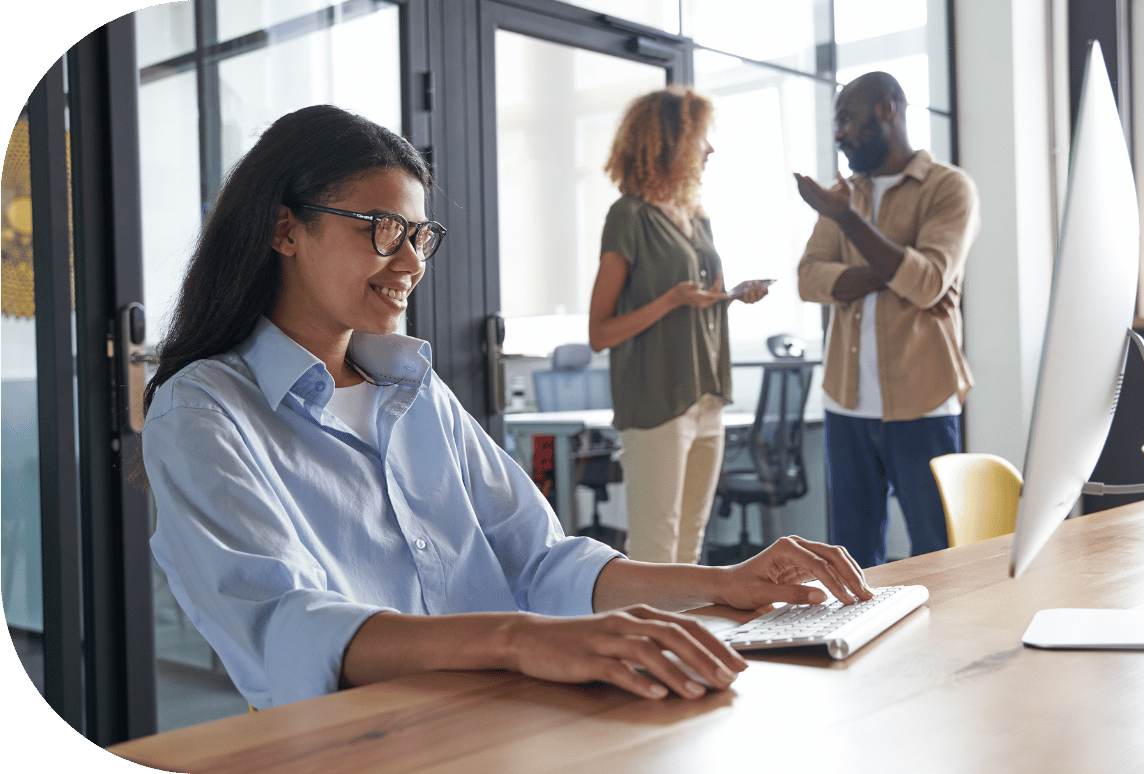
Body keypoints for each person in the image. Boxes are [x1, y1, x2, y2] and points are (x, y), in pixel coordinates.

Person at [141, 104, 869, 712]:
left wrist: (723, 582)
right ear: (284, 229)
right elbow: (285, 627)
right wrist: (522, 639)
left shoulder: (415, 390)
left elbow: (542, 560)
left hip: (510, 713)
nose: (412, 263)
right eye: (382, 229)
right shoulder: (203, 415)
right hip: (370, 742)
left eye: (419, 235)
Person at [794, 72, 980, 567]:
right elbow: (809, 279)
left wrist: (850, 223)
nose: (838, 134)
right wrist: (895, 267)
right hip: (846, 403)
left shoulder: (949, 187)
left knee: (937, 552)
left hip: (924, 401)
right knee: (851, 559)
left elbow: (928, 282)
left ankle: (945, 647)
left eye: (847, 120)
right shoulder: (844, 193)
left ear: (886, 110)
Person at [588, 88, 768, 564]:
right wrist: (670, 300)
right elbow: (599, 332)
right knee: (655, 547)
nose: (709, 150)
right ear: (668, 143)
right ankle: (645, 641)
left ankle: (684, 638)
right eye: (700, 139)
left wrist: (730, 297)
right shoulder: (627, 217)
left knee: (691, 543)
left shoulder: (697, 218)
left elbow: (701, 301)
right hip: (656, 400)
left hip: (706, 395)